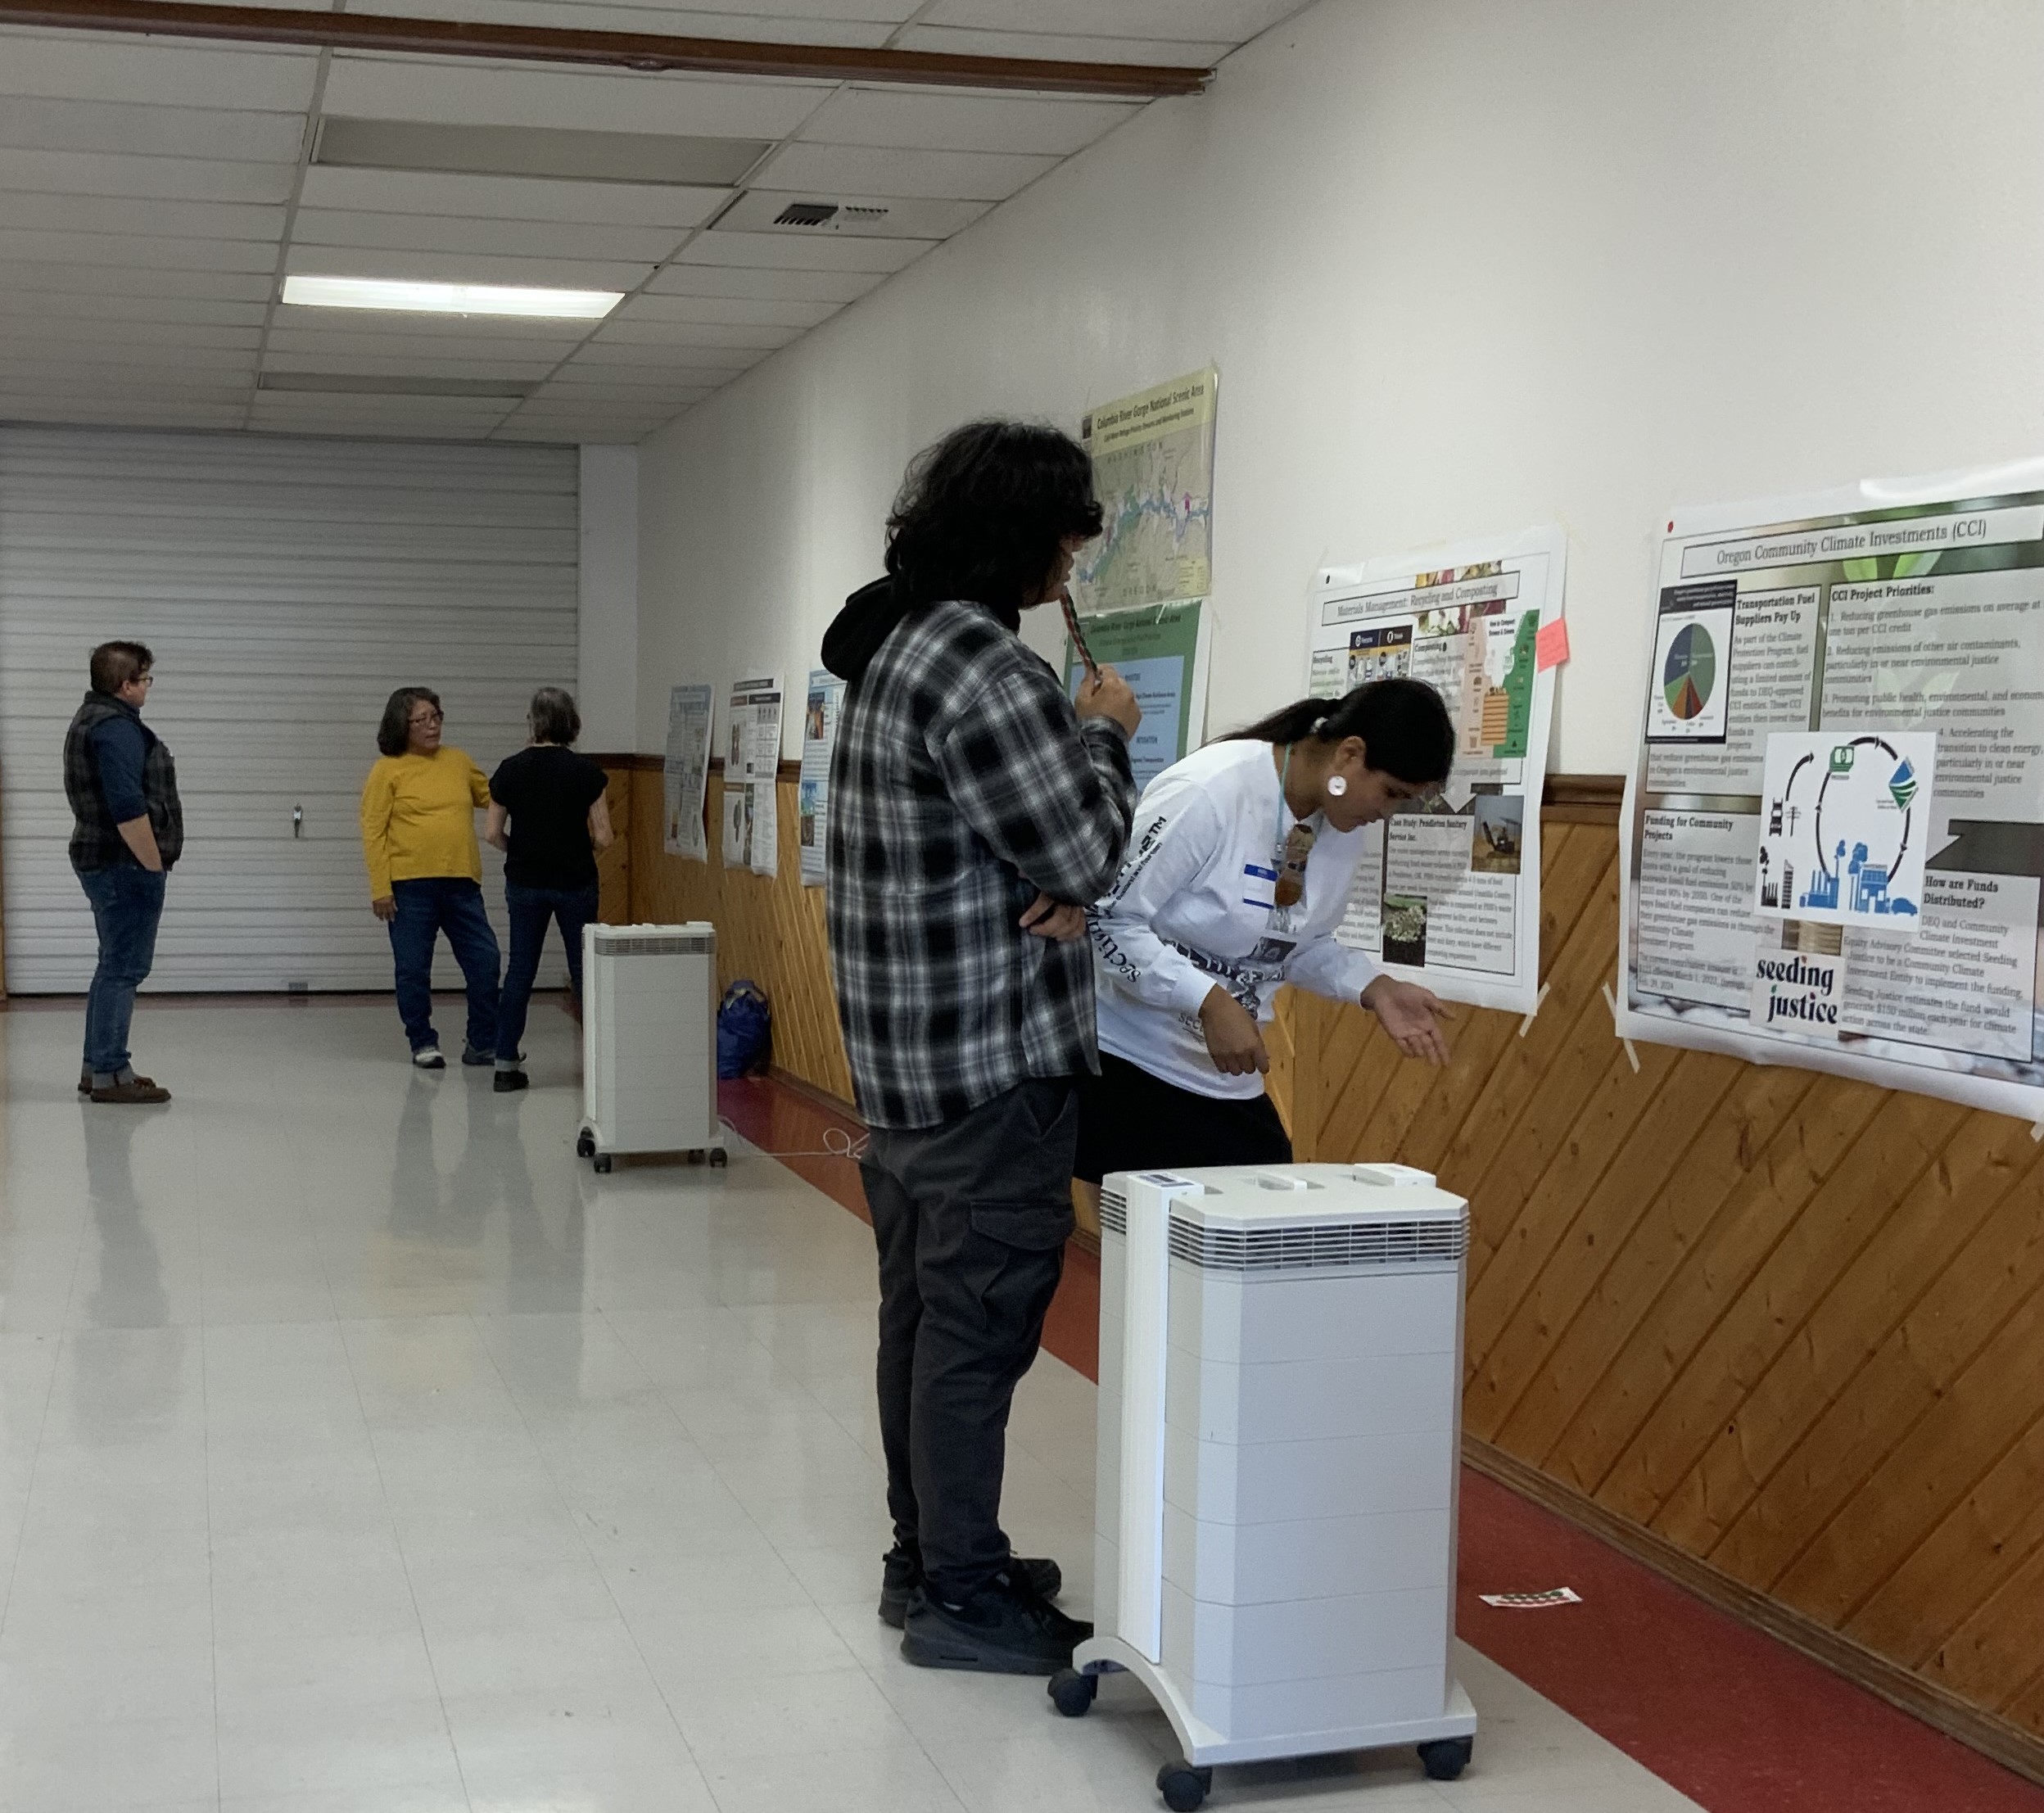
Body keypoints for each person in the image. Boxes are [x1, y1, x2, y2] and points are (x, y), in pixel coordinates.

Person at [822, 419, 1142, 1676]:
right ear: (1021, 533)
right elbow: (1083, 855)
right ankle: (959, 1591)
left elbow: (1026, 854)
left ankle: (930, 1557)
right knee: (977, 1333)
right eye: (1066, 533)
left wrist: (1057, 865)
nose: (1073, 559)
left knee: (924, 1321)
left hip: (904, 1072)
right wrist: (1105, 730)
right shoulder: (990, 671)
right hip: (990, 1071)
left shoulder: (894, 652)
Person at [1076, 679, 1458, 1190]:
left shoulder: (1342, 829)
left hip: (1226, 1081)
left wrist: (1375, 988)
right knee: (1170, 1248)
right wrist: (1208, 1001)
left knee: (1264, 1235)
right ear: (1350, 753)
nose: (1386, 813)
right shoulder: (1210, 791)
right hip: (1128, 1065)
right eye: (1391, 793)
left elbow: (1298, 943)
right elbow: (1107, 917)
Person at [64, 640, 182, 1105]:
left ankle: (98, 1067)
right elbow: (128, 807)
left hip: (105, 860)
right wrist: (151, 865)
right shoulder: (115, 729)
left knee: (111, 964)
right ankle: (112, 1073)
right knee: (124, 968)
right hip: (124, 864)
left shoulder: (91, 718)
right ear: (124, 684)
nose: (148, 687)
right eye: (145, 679)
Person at [360, 687, 500, 1070]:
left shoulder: (458, 761)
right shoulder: (387, 770)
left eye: (436, 716)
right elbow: (373, 831)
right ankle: (422, 1041)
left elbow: (493, 797)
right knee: (412, 968)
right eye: (420, 720)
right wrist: (380, 888)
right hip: (409, 887)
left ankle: (482, 1042)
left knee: (486, 961)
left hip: (461, 883)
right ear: (401, 727)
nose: (431, 725)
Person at [483, 686, 613, 1093]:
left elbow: (491, 833)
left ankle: (505, 1062)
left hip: (524, 882)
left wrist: (518, 850)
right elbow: (606, 836)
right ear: (571, 723)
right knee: (583, 971)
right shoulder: (587, 773)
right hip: (576, 882)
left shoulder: (509, 770)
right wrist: (579, 849)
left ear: (533, 722)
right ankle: (598, 1064)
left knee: (521, 969)